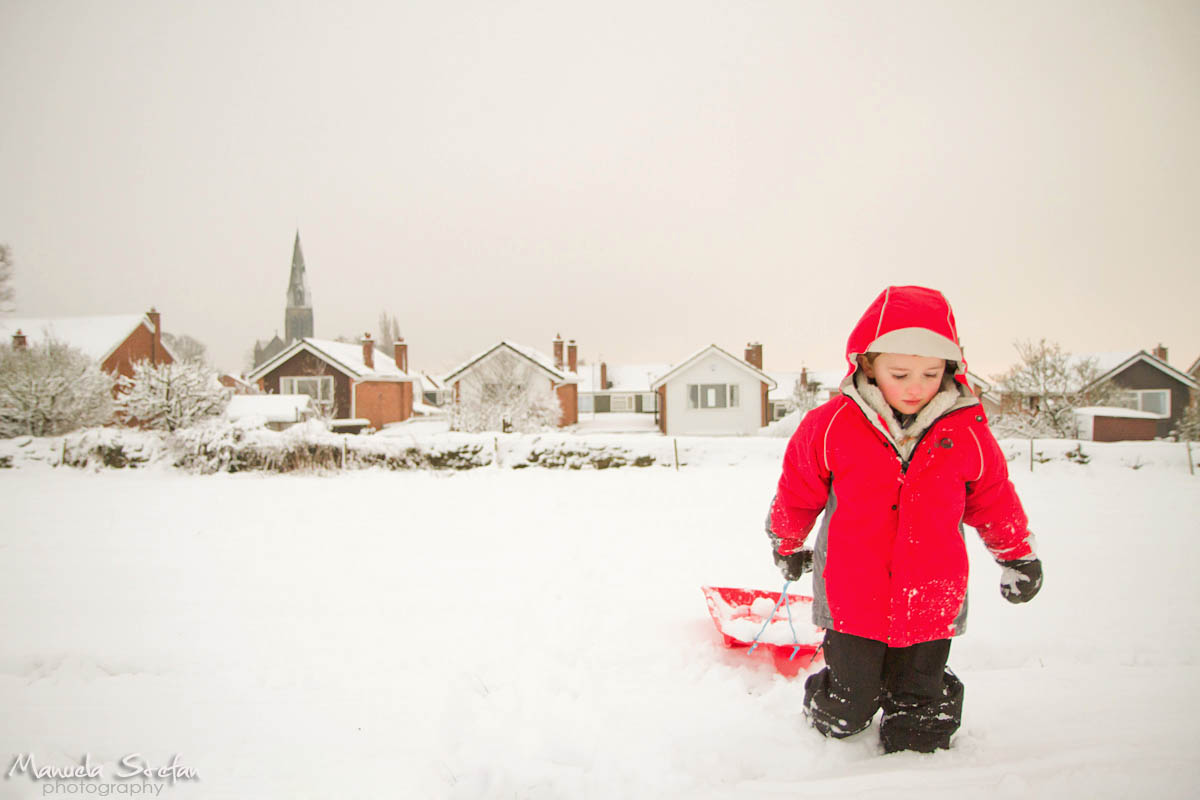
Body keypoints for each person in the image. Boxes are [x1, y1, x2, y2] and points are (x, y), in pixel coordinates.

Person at [766, 285, 1042, 754]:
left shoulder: (966, 432)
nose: (916, 386)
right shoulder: (831, 425)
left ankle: (924, 710)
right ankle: (829, 699)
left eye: (931, 373)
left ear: (951, 370)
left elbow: (993, 499)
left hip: (932, 595)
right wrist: (788, 543)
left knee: (921, 719)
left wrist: (1018, 557)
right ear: (868, 364)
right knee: (846, 710)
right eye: (900, 372)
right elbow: (797, 491)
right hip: (853, 594)